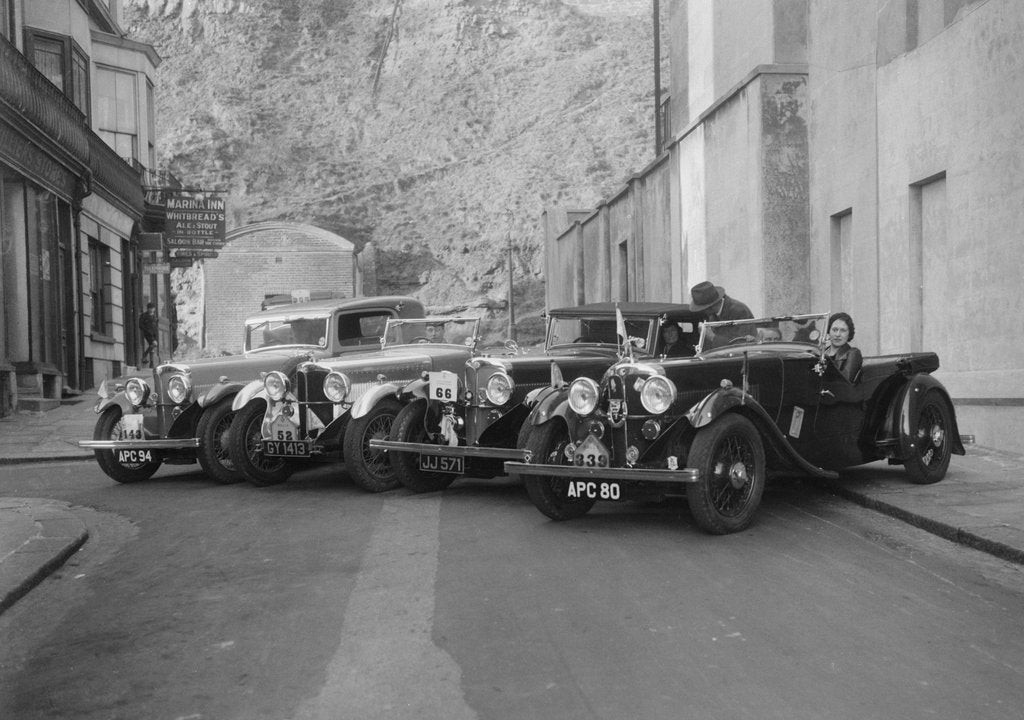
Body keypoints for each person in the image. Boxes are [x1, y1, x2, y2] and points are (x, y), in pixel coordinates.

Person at [690, 281, 753, 346]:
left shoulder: (740, 311)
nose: (702, 311)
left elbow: (742, 344)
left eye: (702, 308)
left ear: (710, 307)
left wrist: (712, 337)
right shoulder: (713, 314)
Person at [824, 311, 862, 382]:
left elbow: (844, 382)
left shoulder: (853, 353)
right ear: (829, 331)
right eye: (834, 330)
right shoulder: (821, 353)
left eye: (843, 330)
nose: (837, 334)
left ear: (849, 334)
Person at [139, 303, 159, 368]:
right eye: (150, 308)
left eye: (153, 308)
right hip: (147, 333)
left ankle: (151, 363)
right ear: (148, 309)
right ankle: (145, 355)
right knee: (154, 344)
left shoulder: (154, 317)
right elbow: (140, 324)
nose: (151, 310)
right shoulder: (144, 315)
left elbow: (155, 326)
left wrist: (155, 334)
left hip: (154, 334)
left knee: (152, 347)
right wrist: (146, 330)